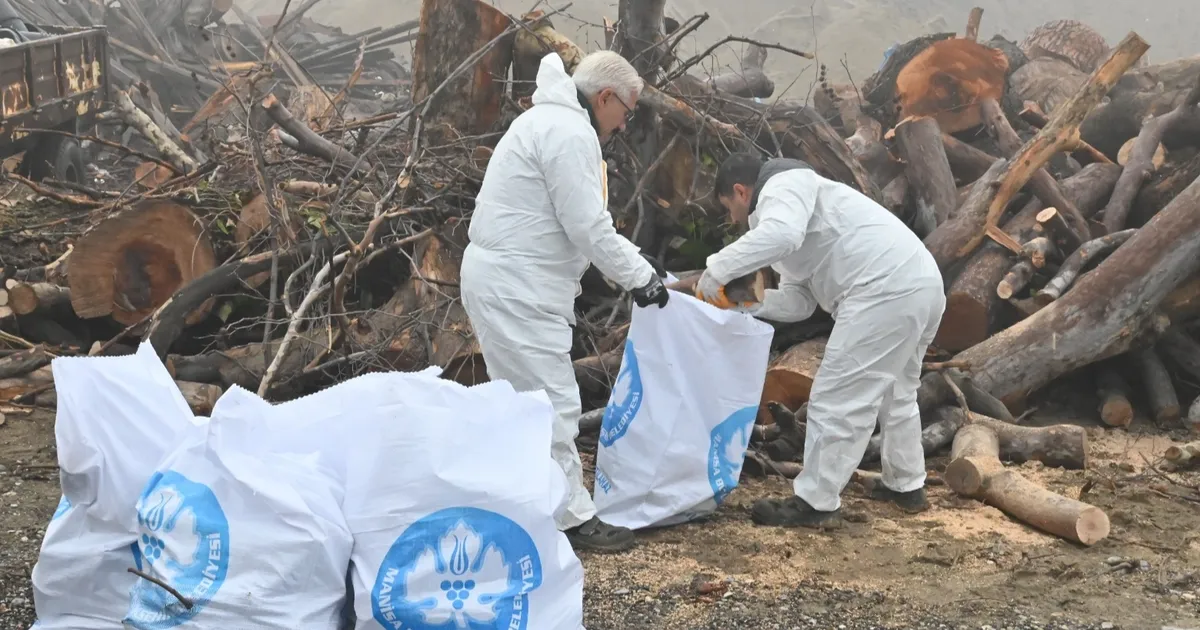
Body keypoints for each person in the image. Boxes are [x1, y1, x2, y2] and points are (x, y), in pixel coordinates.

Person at [460, 50, 668, 552]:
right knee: (550, 404)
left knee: (521, 405)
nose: (623, 125)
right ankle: (571, 519)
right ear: (605, 97)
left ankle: (522, 505)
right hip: (517, 287)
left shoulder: (550, 121)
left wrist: (639, 265)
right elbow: (588, 226)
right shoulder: (568, 132)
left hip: (514, 282)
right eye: (627, 111)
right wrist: (642, 277)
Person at [696, 153, 945, 529]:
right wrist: (744, 303)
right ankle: (906, 485)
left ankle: (815, 502)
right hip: (917, 284)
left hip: (883, 289)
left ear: (741, 191)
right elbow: (800, 302)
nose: (734, 221)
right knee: (897, 391)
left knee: (835, 398)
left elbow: (780, 235)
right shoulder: (794, 211)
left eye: (730, 209)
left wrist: (716, 270)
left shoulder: (783, 187)